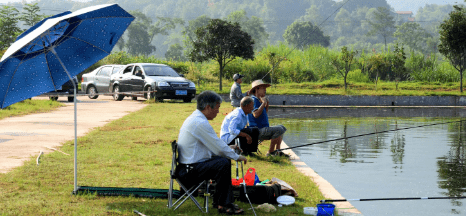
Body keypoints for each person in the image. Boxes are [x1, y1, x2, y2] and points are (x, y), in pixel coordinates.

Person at [176, 90, 247, 214]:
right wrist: (236, 157)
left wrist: (228, 149)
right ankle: (223, 204)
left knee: (222, 161)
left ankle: (221, 202)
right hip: (189, 172)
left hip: (188, 167)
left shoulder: (196, 118)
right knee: (223, 163)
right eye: (217, 107)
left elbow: (213, 145)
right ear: (208, 107)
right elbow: (218, 147)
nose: (218, 111)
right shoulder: (199, 122)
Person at [247, 80, 287, 157]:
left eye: (265, 88)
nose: (265, 90)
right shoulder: (253, 100)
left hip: (263, 128)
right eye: (263, 88)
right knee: (279, 129)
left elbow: (264, 113)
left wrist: (266, 105)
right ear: (257, 89)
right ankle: (270, 152)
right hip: (257, 130)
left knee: (282, 127)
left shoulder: (259, 99)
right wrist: (263, 103)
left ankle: (278, 151)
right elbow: (255, 114)